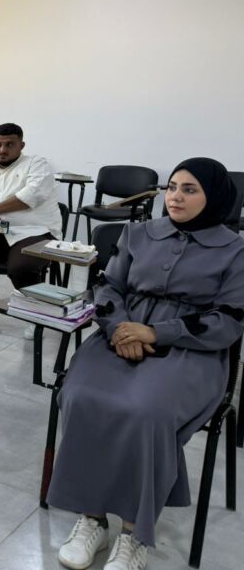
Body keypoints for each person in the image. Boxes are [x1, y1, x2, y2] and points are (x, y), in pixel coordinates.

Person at [48, 158, 244, 570]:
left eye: (189, 189)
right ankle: (93, 518)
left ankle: (135, 533)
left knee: (147, 411)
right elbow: (107, 287)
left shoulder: (236, 250)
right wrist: (120, 328)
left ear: (214, 197)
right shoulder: (138, 233)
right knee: (80, 395)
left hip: (193, 349)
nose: (175, 197)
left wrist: (156, 333)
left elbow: (228, 321)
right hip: (120, 334)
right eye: (172, 187)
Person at [0, 123, 62, 325]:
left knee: (20, 268)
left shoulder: (37, 164)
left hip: (36, 233)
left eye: (9, 144)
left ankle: (36, 314)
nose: (2, 150)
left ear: (21, 145)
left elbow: (31, 195)